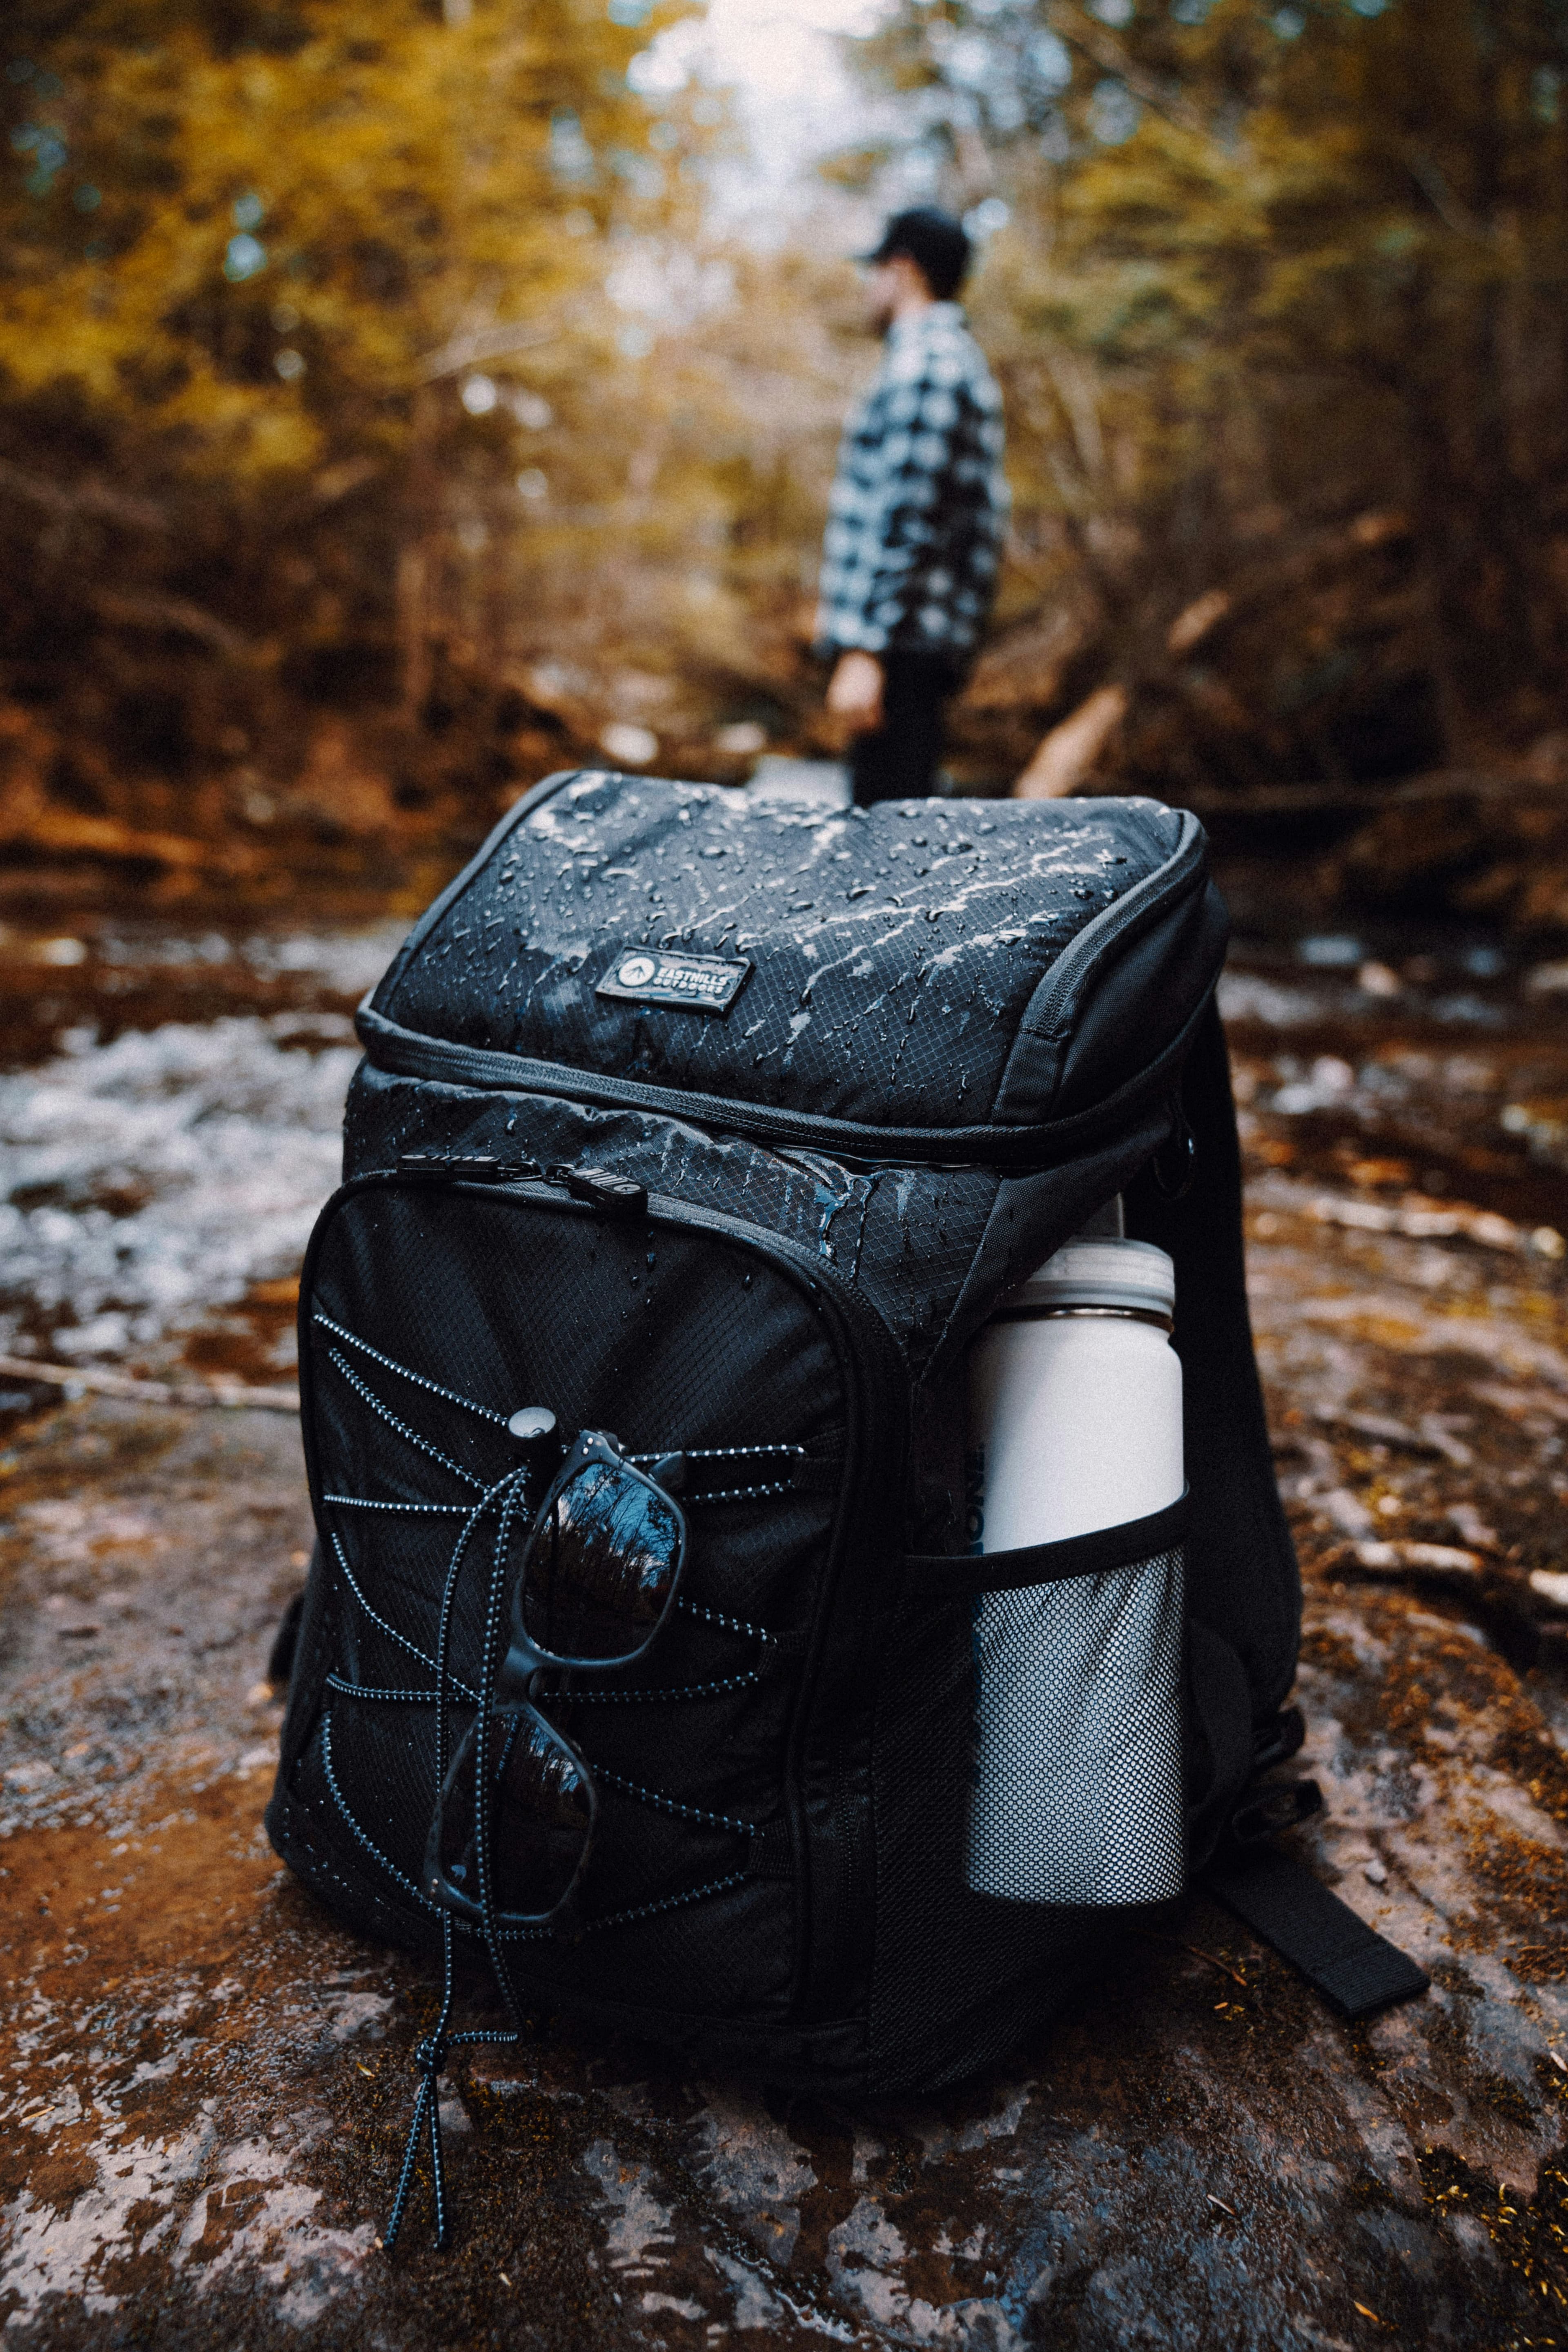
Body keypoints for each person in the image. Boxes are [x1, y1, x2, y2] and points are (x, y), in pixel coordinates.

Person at [815, 206, 1007, 805]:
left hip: (900, 652)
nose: (867, 287)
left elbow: (911, 520)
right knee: (894, 843)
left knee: (884, 856)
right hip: (907, 647)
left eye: (874, 271)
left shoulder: (929, 365)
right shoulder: (936, 360)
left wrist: (868, 651)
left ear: (903, 270)